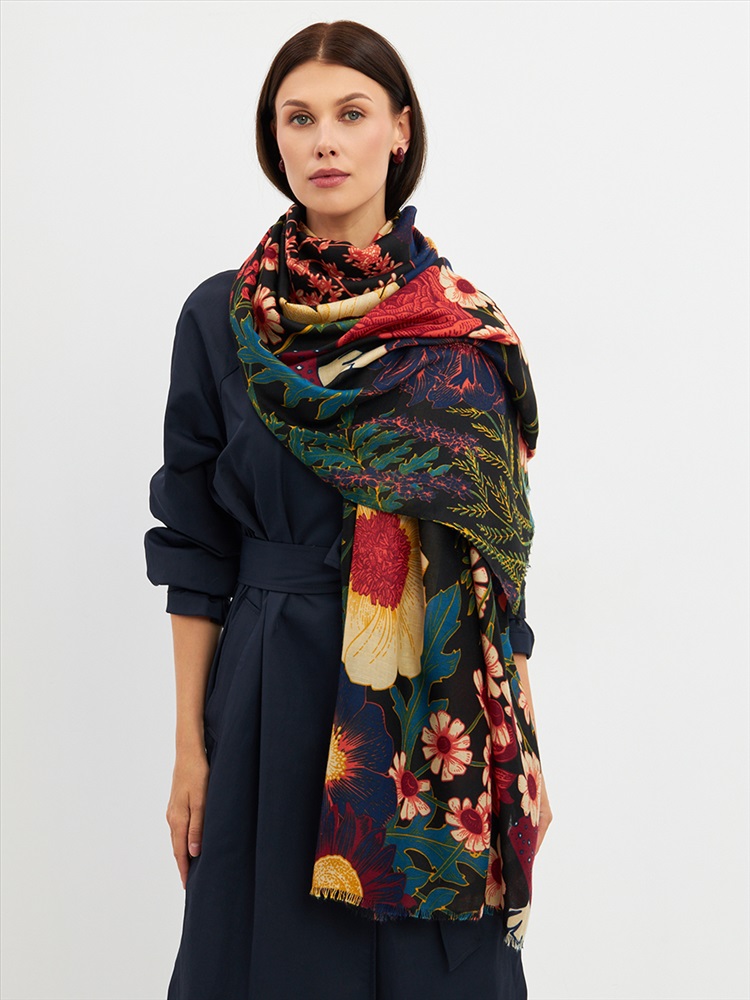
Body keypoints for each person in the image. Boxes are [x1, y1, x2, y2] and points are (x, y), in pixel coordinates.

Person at [145, 19, 552, 1000]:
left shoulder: (460, 330)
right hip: (270, 692)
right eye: (300, 118)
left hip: (438, 714)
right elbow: (194, 548)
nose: (325, 140)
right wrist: (189, 749)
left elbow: (497, 564)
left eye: (351, 113)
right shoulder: (223, 321)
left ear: (399, 131)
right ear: (275, 140)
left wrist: (524, 752)